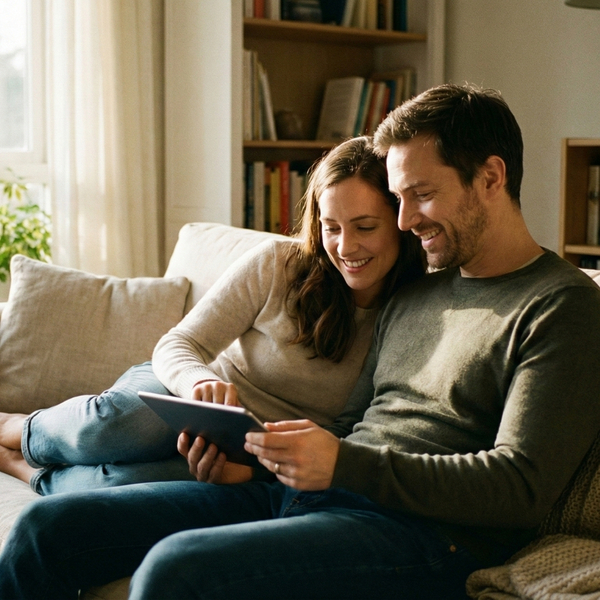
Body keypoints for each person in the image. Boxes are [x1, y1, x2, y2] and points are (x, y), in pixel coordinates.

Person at [2, 83, 600, 600]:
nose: (404, 221)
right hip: (310, 498)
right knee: (48, 529)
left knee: (176, 570)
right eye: (398, 200)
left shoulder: (562, 305)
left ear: (490, 176)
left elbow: (519, 486)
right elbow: (352, 422)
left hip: (423, 537)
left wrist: (342, 464)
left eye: (420, 194)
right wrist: (254, 470)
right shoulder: (418, 290)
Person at [0, 135, 423, 495]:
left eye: (365, 227)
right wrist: (199, 382)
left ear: (401, 222)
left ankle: (25, 469)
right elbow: (180, 344)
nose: (345, 247)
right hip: (187, 392)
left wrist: (248, 471)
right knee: (119, 427)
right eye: (331, 227)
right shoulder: (280, 263)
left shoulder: (408, 313)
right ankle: (19, 427)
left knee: (128, 487)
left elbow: (349, 437)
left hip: (249, 450)